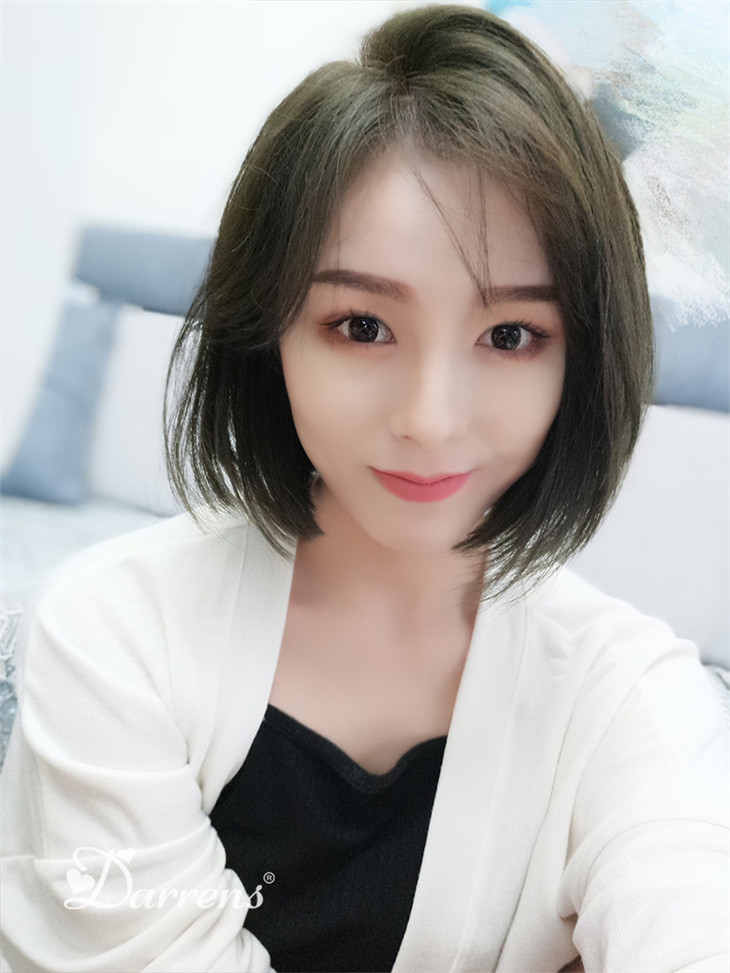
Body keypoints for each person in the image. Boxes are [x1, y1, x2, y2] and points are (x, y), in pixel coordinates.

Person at [1, 5, 727, 972]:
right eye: (362, 326)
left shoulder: (635, 699)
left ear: (582, 361)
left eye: (511, 335)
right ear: (270, 334)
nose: (429, 418)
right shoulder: (113, 635)